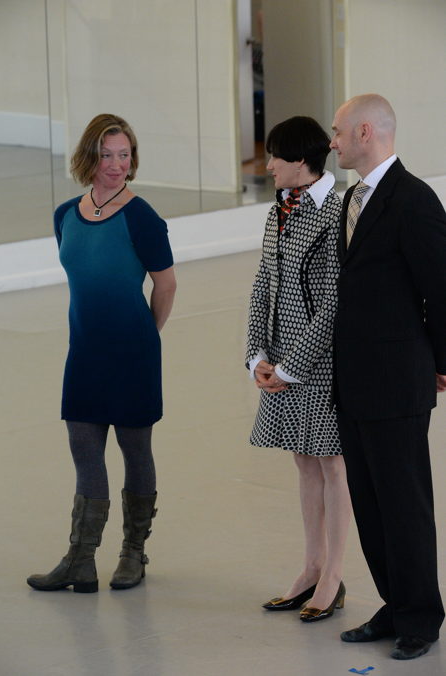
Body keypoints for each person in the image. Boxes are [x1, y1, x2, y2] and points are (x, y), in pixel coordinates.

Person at [27, 114, 176, 593]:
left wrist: (146, 335)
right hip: (85, 353)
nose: (116, 164)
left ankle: (133, 553)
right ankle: (81, 560)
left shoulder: (142, 217)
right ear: (88, 156)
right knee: (84, 449)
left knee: (136, 449)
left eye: (124, 155)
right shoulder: (65, 215)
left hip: (132, 354)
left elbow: (166, 285)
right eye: (107, 154)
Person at [330, 94, 446, 660]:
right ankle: (396, 604)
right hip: (355, 382)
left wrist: (442, 362)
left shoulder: (415, 200)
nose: (332, 141)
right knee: (371, 505)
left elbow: (441, 288)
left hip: (397, 383)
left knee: (404, 506)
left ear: (365, 132)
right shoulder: (353, 199)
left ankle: (421, 616)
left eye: (338, 131)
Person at [246, 116, 351, 622]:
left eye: (276, 157)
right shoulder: (280, 209)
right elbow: (262, 282)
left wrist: (293, 365)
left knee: (333, 464)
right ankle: (311, 566)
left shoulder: (338, 211)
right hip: (281, 360)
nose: (268, 166)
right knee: (304, 462)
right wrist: (256, 355)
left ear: (302, 161)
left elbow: (335, 300)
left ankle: (334, 575)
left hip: (322, 362)